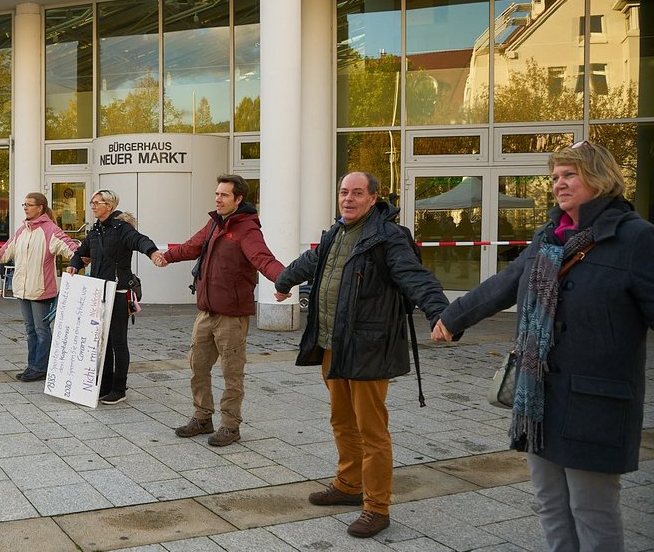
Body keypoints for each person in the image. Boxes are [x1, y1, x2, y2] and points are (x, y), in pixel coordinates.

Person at [432, 142, 653, 552]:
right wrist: (453, 316)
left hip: (596, 402)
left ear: (600, 177)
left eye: (569, 174)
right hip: (539, 400)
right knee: (550, 504)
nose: (559, 184)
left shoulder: (635, 239)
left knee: (592, 511)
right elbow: (505, 283)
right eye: (554, 177)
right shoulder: (549, 237)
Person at [273, 172, 449, 539]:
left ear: (373, 198)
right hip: (331, 344)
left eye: (356, 193)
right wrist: (284, 281)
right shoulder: (336, 232)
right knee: (341, 421)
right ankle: (348, 485)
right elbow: (313, 260)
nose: (348, 199)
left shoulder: (387, 236)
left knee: (372, 431)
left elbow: (414, 276)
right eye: (343, 192)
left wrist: (440, 312)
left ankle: (377, 507)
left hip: (368, 347)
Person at [154, 174, 286, 446]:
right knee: (198, 367)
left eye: (224, 195)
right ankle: (202, 418)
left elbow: (264, 259)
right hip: (206, 312)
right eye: (216, 194)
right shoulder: (215, 223)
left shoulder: (247, 229)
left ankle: (230, 426)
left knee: (231, 373)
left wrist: (285, 281)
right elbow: (192, 246)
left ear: (239, 199)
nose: (218, 198)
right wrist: (165, 256)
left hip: (231, 316)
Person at [66, 190, 160, 405]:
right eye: (92, 202)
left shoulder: (122, 228)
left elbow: (140, 240)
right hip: (99, 292)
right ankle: (105, 385)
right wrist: (74, 265)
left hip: (118, 292)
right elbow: (82, 252)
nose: (92, 206)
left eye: (96, 202)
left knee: (118, 341)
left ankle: (119, 387)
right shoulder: (96, 229)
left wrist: (153, 252)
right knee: (103, 342)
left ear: (109, 205)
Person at [0, 192, 79, 382]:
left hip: (41, 289)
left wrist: (80, 258)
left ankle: (40, 367)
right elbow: (6, 250)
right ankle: (32, 365)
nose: (25, 207)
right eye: (24, 204)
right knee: (30, 330)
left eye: (29, 204)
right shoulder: (22, 230)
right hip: (23, 288)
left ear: (40, 208)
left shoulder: (51, 230)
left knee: (41, 330)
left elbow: (71, 248)